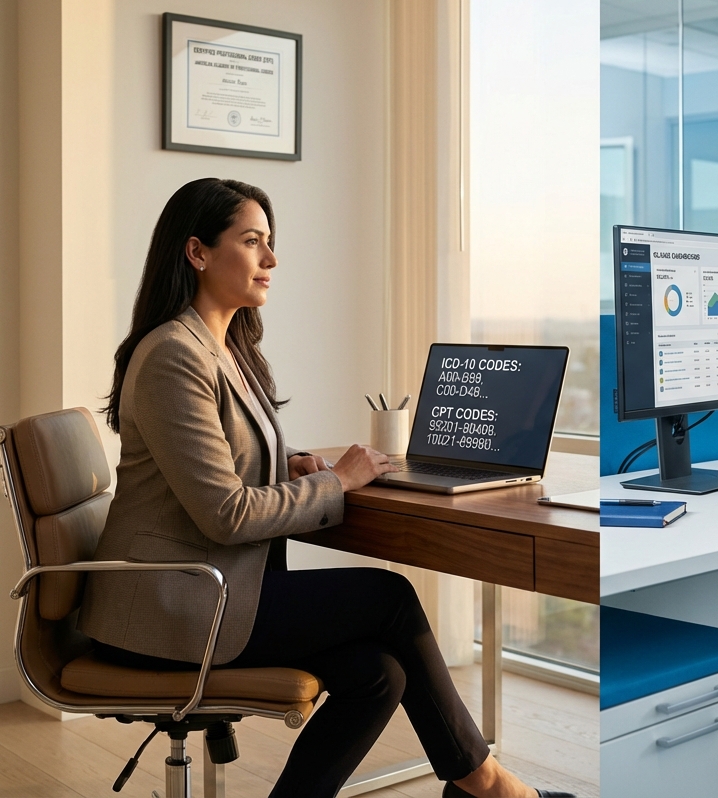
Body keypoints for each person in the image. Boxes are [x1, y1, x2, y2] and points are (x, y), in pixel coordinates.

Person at [77, 179, 573, 798]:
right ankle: (490, 786)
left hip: (212, 590)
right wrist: (339, 481)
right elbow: (226, 514)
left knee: (378, 673)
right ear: (197, 252)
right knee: (390, 598)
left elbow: (219, 458)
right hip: (174, 608)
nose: (271, 258)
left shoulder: (223, 348)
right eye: (252, 242)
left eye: (270, 242)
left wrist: (289, 464)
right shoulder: (173, 355)